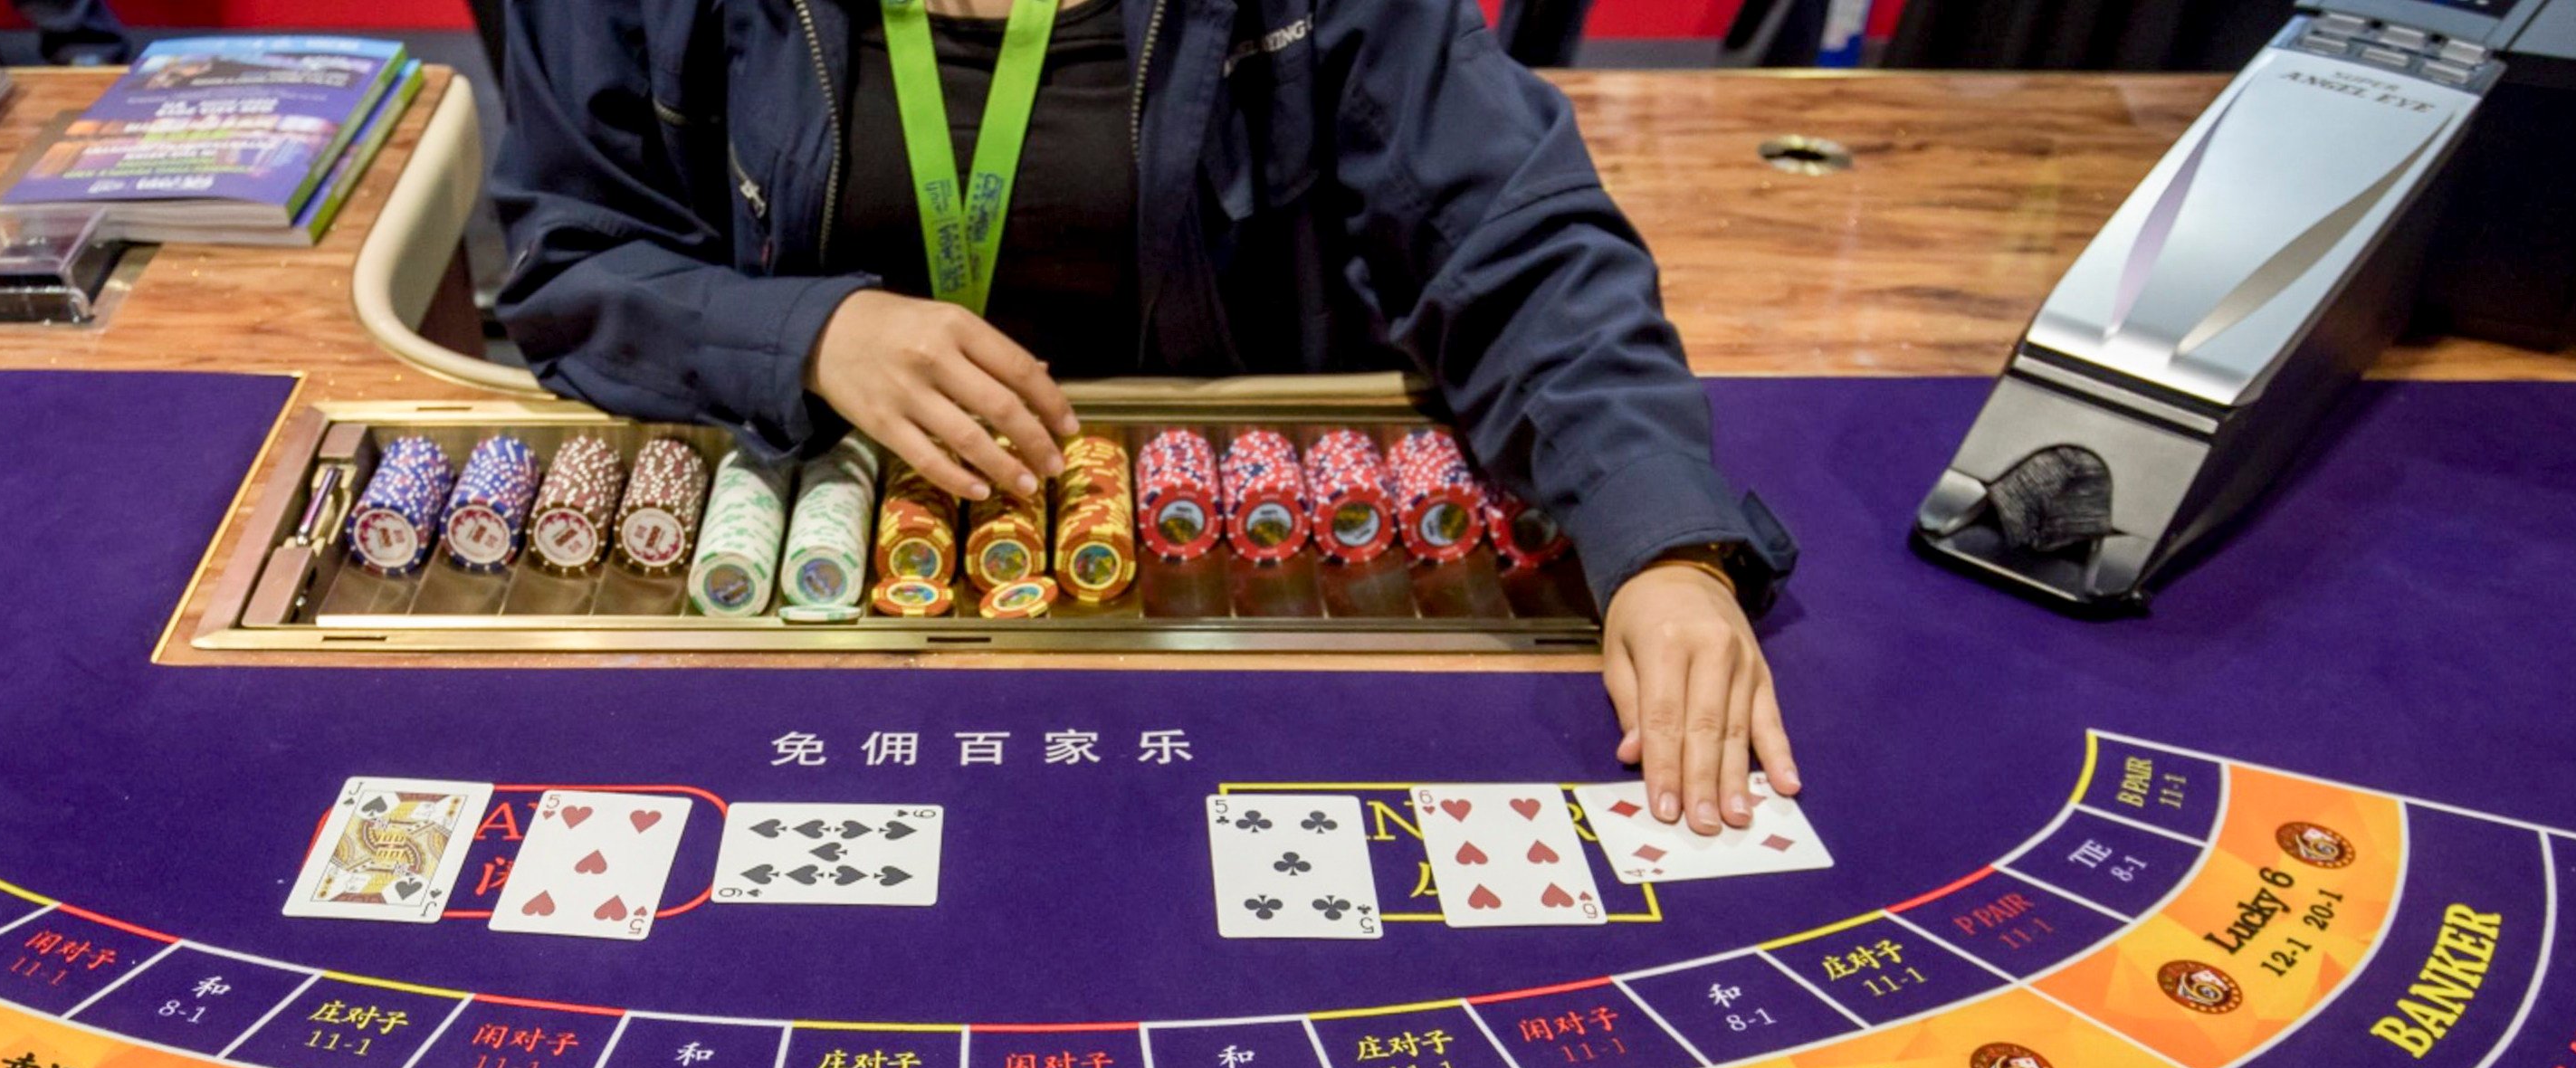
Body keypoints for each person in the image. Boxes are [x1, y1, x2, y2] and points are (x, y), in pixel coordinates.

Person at [492, 0, 1801, 834]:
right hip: (817, 567)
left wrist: (1663, 544)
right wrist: (809, 335)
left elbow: (1523, 246)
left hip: (1222, 589)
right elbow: (569, 263)